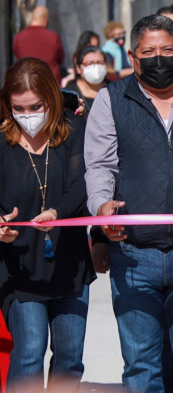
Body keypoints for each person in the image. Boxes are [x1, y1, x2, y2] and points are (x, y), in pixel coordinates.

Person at [85, 14, 173, 392]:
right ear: (132, 56)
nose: (158, 59)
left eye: (167, 50)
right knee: (141, 368)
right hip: (133, 255)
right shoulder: (111, 100)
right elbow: (99, 166)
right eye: (148, 52)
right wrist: (101, 208)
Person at [0, 58, 95, 388]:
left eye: (35, 106)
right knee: (29, 349)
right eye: (18, 108)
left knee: (69, 356)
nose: (27, 115)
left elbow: (83, 184)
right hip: (19, 267)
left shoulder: (73, 131)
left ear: (51, 101)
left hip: (69, 264)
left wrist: (58, 212)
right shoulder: (3, 142)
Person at [13, 6, 65, 79]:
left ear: (32, 18)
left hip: (26, 82)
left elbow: (18, 56)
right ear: (46, 19)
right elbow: (61, 59)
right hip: (49, 82)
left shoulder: (19, 37)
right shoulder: (53, 37)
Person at [64, 46, 109, 111]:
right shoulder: (69, 95)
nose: (96, 67)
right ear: (78, 68)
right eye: (90, 63)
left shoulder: (115, 89)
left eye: (100, 63)